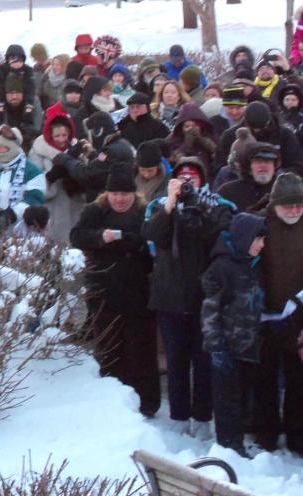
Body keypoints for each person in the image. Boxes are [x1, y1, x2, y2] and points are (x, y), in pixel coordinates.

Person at [143, 158, 235, 437]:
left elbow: (225, 230)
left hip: (203, 298)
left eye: (192, 178)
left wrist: (202, 205)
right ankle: (180, 415)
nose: (187, 183)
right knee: (176, 360)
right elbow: (152, 234)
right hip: (170, 297)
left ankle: (203, 416)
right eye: (182, 178)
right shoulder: (160, 206)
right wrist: (171, 203)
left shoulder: (215, 205)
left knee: (203, 361)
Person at [69, 165, 160, 417]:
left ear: (134, 194)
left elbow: (154, 242)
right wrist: (100, 237)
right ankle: (112, 403)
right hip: (103, 293)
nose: (120, 199)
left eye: (125, 194)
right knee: (109, 348)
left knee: (140, 350)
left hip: (138, 293)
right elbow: (76, 236)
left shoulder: (145, 212)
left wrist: (136, 244)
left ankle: (147, 403)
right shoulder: (94, 211)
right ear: (107, 194)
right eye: (115, 194)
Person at [201, 212, 267, 457]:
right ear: (244, 238)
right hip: (226, 349)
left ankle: (238, 443)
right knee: (226, 401)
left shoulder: (253, 266)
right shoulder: (221, 268)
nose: (262, 245)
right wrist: (216, 346)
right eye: (257, 239)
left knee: (242, 399)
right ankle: (228, 447)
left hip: (249, 348)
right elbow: (210, 311)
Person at [254, 173, 303, 455]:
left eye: (300, 204)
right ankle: (266, 435)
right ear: (275, 204)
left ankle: (297, 436)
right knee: (265, 380)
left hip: (298, 318)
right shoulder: (259, 224)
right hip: (266, 317)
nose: (295, 210)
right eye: (289, 205)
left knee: (298, 381)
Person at [30, 103, 84, 243]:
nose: (61, 139)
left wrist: (78, 181)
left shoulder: (78, 149)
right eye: (57, 136)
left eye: (64, 135)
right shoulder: (38, 152)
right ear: (50, 135)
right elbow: (33, 184)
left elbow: (90, 178)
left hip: (75, 209)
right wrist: (51, 177)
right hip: (52, 212)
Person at [53, 111, 135, 203]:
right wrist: (92, 155)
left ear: (99, 131)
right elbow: (102, 167)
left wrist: (66, 160)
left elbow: (88, 174)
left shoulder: (111, 151)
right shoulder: (120, 144)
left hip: (110, 202)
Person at [216, 100, 303, 177]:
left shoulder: (285, 135)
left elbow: (297, 165)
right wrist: (233, 167)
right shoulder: (230, 136)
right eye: (253, 128)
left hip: (276, 183)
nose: (257, 131)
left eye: (261, 128)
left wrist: (277, 174)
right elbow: (219, 165)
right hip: (241, 182)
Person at [165, 102, 217, 176]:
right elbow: (172, 162)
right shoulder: (173, 139)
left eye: (194, 125)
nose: (191, 129)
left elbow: (217, 156)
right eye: (187, 126)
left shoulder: (210, 135)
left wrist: (202, 140)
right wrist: (186, 145)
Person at [0, 73, 40, 151]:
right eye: (11, 93)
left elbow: (38, 127)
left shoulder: (33, 102)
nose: (14, 96)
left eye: (18, 92)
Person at [135, 139, 170, 204]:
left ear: (158, 167)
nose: (146, 174)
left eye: (150, 170)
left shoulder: (168, 180)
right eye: (142, 170)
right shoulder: (132, 176)